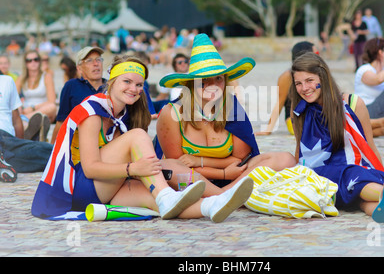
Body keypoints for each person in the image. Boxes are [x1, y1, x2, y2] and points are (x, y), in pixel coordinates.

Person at [31, 54, 254, 223]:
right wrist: (134, 169)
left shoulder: (124, 115)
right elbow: (90, 169)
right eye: (126, 82)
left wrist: (142, 172)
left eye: (139, 85)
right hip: (79, 188)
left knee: (159, 203)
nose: (134, 89)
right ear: (112, 82)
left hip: (103, 192)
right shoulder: (92, 111)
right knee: (138, 140)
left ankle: (212, 205)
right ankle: (166, 193)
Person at [156, 34, 296, 196]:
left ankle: (220, 196)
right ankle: (223, 196)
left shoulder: (232, 108)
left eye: (218, 79)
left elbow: (238, 162)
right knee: (169, 168)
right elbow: (178, 163)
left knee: (286, 159)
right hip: (189, 182)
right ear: (191, 84)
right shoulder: (171, 113)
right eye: (204, 81)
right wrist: (222, 173)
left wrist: (198, 161)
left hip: (231, 178)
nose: (213, 86)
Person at [289, 52, 384, 223]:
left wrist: (380, 173)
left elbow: (369, 145)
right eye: (298, 83)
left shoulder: (352, 104)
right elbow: (301, 153)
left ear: (322, 77)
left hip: (350, 178)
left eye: (309, 80)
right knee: (351, 173)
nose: (304, 88)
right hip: (319, 178)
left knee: (362, 197)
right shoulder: (300, 111)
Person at [256, 41, 318, 136]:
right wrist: (268, 129)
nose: (320, 57)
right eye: (317, 54)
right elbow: (280, 103)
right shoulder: (288, 76)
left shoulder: (318, 73)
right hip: (295, 120)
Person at [0, 73, 53, 181]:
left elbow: (16, 120)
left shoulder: (7, 81)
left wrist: (21, 144)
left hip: (6, 139)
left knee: (51, 152)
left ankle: (4, 162)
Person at [50, 46, 107, 144]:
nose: (96, 64)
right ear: (79, 68)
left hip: (106, 141)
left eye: (98, 59)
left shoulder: (111, 87)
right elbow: (61, 121)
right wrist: (51, 149)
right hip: (79, 142)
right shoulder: (71, 86)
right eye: (89, 60)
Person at [15, 50, 57, 141]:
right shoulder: (21, 78)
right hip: (26, 110)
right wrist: (20, 108)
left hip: (42, 109)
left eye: (36, 59)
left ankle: (26, 120)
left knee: (52, 107)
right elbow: (13, 97)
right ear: (25, 63)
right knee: (15, 109)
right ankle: (30, 124)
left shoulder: (46, 77)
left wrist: (33, 108)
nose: (33, 62)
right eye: (29, 60)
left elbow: (51, 101)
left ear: (39, 61)